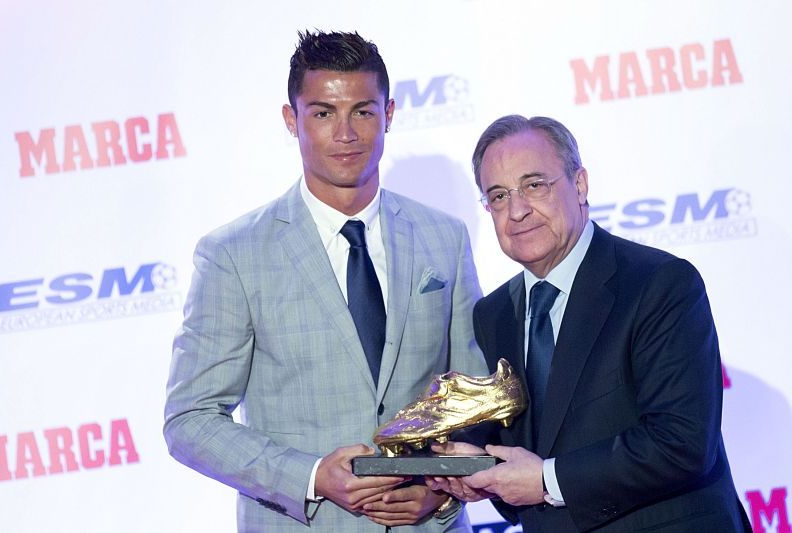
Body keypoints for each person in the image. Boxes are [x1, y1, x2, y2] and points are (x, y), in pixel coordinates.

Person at [163, 30, 486, 532]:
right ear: (291, 120)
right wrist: (310, 476)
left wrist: (440, 490)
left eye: (363, 111)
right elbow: (190, 420)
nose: (346, 134)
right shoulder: (233, 254)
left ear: (390, 114)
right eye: (322, 113)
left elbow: (475, 396)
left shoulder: (443, 237)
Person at [427, 115, 752, 532]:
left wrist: (546, 480)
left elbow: (682, 444)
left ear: (579, 184)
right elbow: (527, 455)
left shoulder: (658, 283)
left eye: (534, 185)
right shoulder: (494, 314)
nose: (518, 210)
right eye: (499, 196)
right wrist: (481, 473)